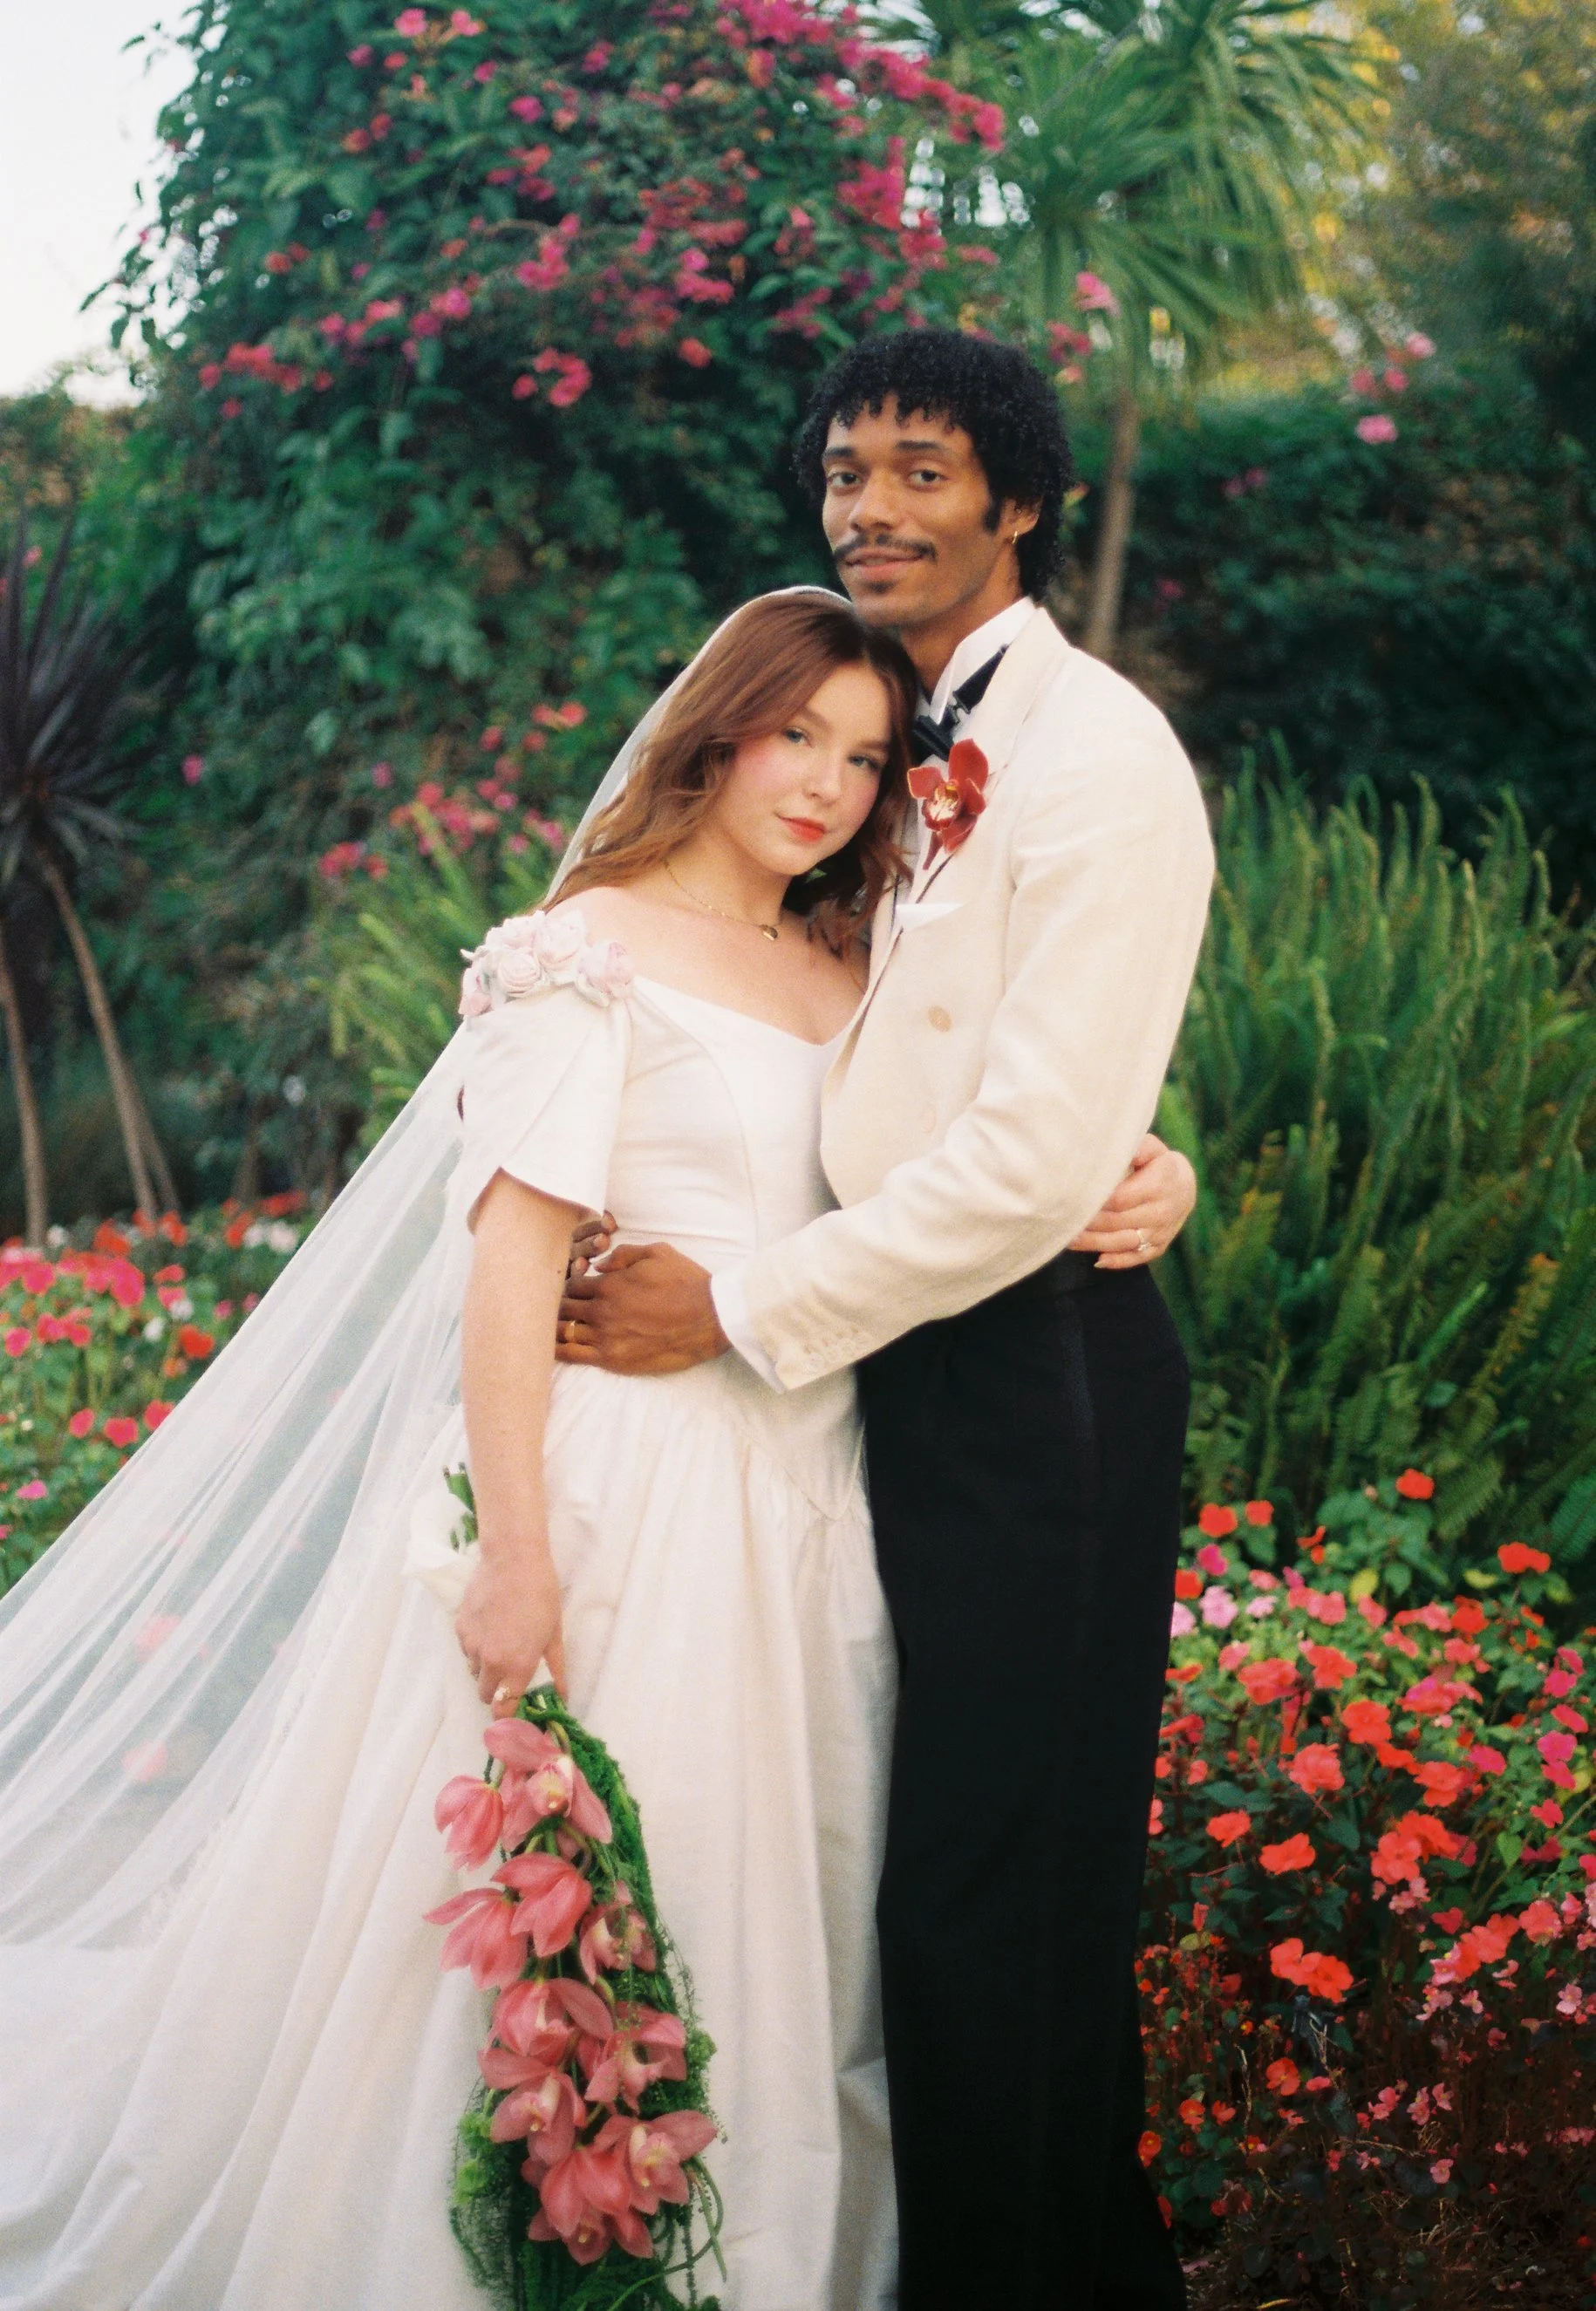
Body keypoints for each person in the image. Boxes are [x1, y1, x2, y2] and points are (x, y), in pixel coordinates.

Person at [0, 594, 914, 2311]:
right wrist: (516, 1555)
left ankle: (773, 2251)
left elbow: (951, 1182)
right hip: (624, 1484)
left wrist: (1132, 1177)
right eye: (800, 733)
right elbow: (513, 1264)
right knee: (592, 1876)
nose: (826, 784)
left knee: (792, 1898)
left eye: (865, 758)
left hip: (817, 1487)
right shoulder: (588, 952)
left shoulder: (856, 968)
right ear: (721, 729)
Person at [556, 330, 1215, 2311]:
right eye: (847, 469)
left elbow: (1025, 1158)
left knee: (992, 1899)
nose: (870, 506)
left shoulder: (1096, 752)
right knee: (938, 1889)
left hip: (1041, 1387)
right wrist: (1147, 1146)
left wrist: (735, 1304)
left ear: (1016, 499)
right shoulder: (879, 737)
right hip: (907, 1374)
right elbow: (897, 1058)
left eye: (922, 469)